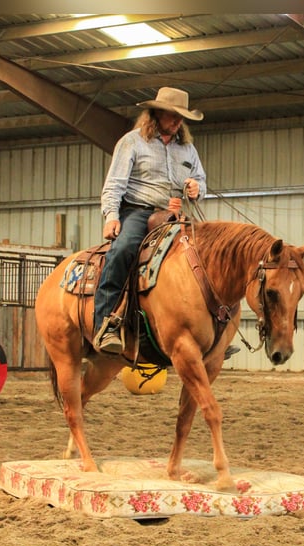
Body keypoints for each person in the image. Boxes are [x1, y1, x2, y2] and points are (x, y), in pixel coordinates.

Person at [93, 87, 206, 354]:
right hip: (138, 212)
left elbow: (201, 181)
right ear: (155, 114)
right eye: (172, 115)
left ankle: (207, 330)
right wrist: (111, 216)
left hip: (175, 214)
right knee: (122, 251)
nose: (177, 122)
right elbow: (114, 185)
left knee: (206, 255)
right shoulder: (132, 142)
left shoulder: (187, 149)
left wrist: (196, 189)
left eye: (181, 117)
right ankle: (105, 325)